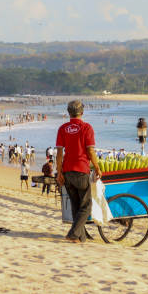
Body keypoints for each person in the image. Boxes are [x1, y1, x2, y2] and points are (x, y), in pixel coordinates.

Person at [56, 99, 100, 243]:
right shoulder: (86, 127)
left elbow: (59, 153)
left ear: (68, 112)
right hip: (81, 170)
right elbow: (90, 151)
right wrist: (97, 167)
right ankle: (73, 234)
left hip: (67, 171)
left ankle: (80, 237)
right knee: (86, 206)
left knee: (76, 205)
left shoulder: (63, 128)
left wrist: (59, 172)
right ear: (82, 112)